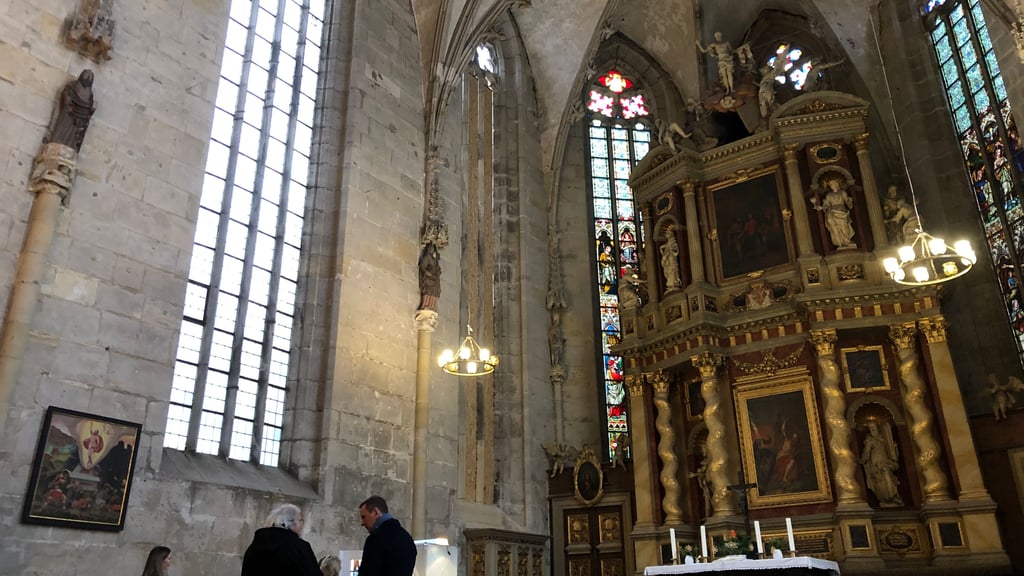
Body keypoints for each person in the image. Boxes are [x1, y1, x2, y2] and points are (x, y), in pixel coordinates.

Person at [241, 503, 321, 576]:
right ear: (291, 522)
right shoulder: (299, 547)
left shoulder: (254, 547)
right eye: (300, 520)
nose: (301, 525)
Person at [358, 496, 417, 576]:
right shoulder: (407, 538)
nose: (362, 523)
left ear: (376, 512)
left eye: (364, 517)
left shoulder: (376, 539)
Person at [46, 69, 96, 152]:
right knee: (63, 127)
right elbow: (67, 92)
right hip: (69, 112)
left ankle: (70, 147)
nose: (87, 78)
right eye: (86, 76)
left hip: (80, 117)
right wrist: (68, 100)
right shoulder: (73, 85)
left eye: (90, 78)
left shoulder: (90, 93)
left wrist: (91, 110)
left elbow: (89, 106)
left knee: (73, 133)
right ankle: (56, 142)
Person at [860, 422, 902, 506]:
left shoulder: (883, 440)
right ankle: (885, 498)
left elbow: (891, 453)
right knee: (880, 481)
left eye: (874, 429)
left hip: (885, 462)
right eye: (871, 430)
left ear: (878, 429)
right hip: (876, 465)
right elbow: (865, 456)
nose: (873, 431)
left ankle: (893, 497)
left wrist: (894, 448)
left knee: (888, 477)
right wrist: (867, 451)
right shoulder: (869, 441)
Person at [812, 177, 856, 248]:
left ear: (836, 184)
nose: (831, 186)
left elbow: (847, 202)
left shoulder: (842, 192)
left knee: (844, 227)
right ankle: (840, 243)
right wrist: (820, 207)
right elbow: (826, 205)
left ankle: (847, 241)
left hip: (842, 212)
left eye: (832, 184)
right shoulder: (829, 195)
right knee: (835, 229)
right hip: (832, 213)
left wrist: (850, 201)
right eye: (830, 185)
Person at [660, 226, 682, 291]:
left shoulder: (673, 241)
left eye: (667, 234)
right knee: (668, 270)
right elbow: (662, 248)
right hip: (668, 260)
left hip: (672, 259)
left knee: (672, 270)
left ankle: (674, 283)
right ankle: (671, 284)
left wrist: (671, 252)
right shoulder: (667, 243)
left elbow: (675, 251)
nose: (666, 235)